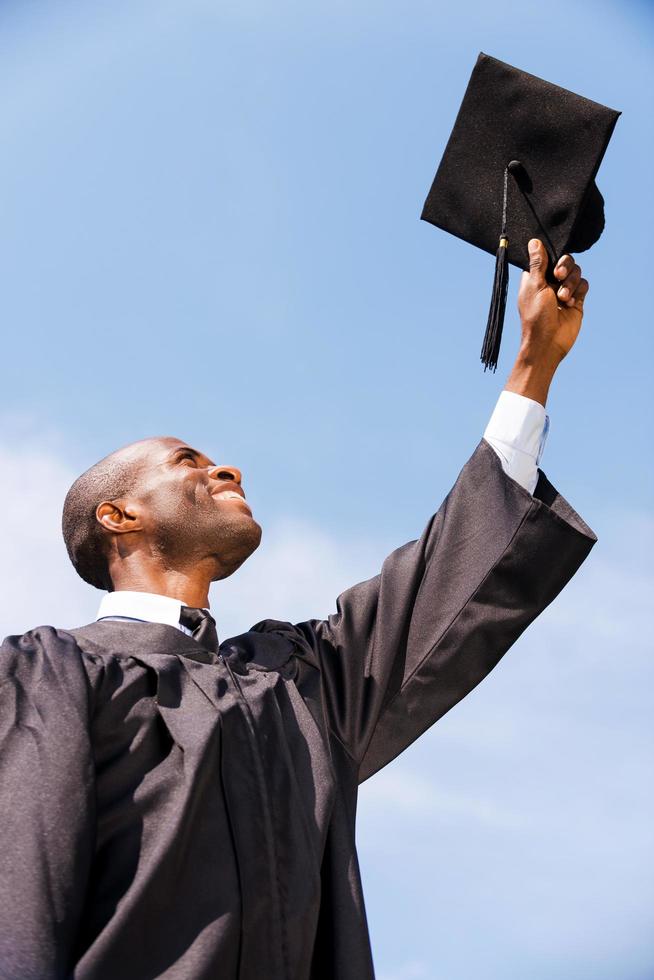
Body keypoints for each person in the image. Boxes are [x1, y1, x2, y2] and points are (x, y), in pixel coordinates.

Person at [0, 240, 596, 979]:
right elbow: (20, 898)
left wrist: (534, 369)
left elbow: (445, 578)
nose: (226, 467)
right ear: (119, 516)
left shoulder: (295, 684)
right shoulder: (43, 675)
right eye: (187, 460)